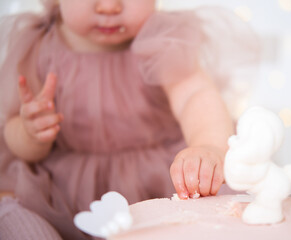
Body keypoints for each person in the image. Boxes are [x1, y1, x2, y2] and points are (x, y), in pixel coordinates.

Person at [0, 0, 259, 239]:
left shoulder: (162, 39)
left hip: (159, 176)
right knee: (19, 219)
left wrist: (208, 146)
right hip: (63, 188)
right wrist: (30, 133)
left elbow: (194, 95)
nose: (110, 6)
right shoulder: (39, 45)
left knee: (216, 217)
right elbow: (15, 138)